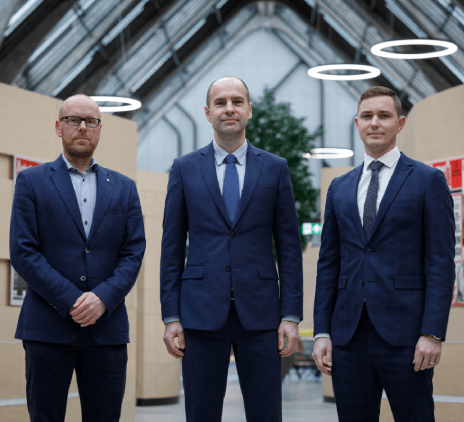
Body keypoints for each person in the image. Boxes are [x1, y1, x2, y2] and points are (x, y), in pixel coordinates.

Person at [160, 76, 303, 422]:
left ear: (249, 110)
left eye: (237, 102)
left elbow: (289, 247)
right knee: (201, 412)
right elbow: (171, 247)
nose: (229, 109)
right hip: (200, 311)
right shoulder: (184, 169)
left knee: (266, 412)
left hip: (262, 313)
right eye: (221, 103)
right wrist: (171, 316)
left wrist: (290, 315)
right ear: (207, 112)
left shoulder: (275, 168)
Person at [312, 86, 455, 422]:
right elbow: (328, 264)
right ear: (357, 123)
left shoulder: (428, 181)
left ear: (400, 123)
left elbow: (440, 262)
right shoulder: (339, 188)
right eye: (367, 116)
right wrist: (322, 332)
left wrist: (432, 332)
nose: (374, 122)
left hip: (407, 335)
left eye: (384, 115)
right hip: (347, 335)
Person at [9, 94, 146, 422]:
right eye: (73, 120)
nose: (82, 127)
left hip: (107, 328)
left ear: (100, 130)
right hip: (47, 328)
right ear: (59, 127)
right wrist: (73, 300)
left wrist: (102, 299)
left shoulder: (125, 188)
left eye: (91, 121)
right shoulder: (32, 181)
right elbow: (23, 251)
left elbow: (133, 252)